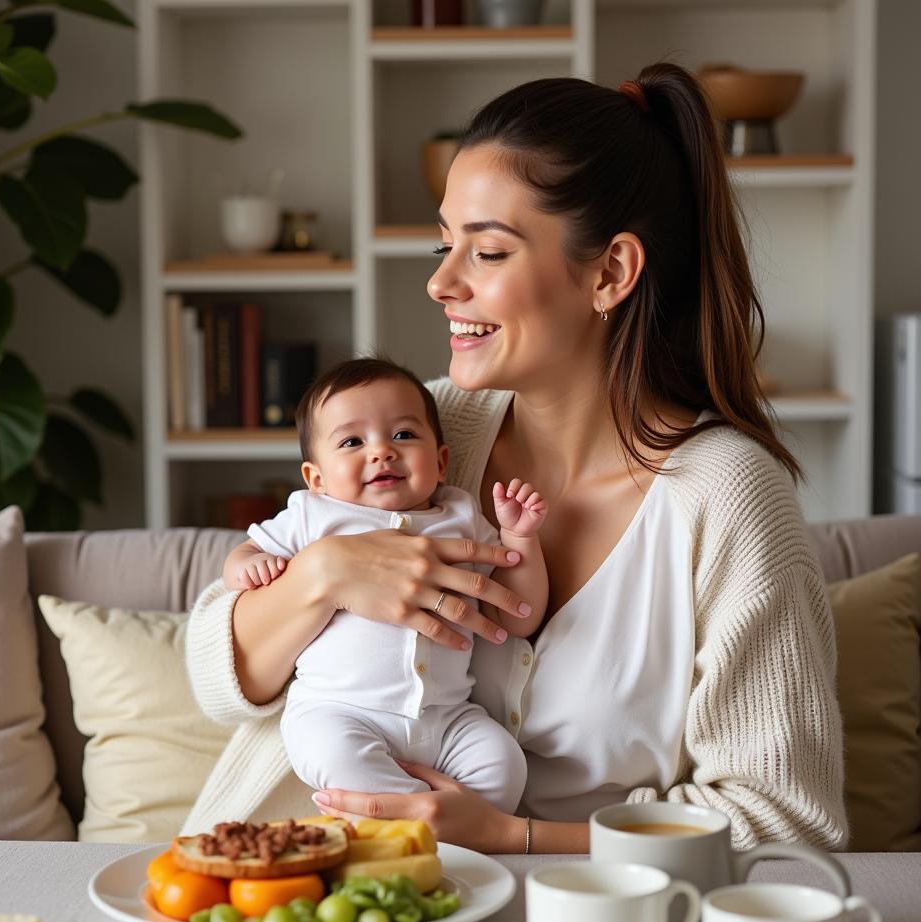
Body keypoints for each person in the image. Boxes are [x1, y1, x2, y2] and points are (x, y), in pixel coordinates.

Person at [182, 63, 848, 854]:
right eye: (444, 242)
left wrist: (519, 836)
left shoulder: (727, 497)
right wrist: (325, 573)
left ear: (610, 273)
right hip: (307, 882)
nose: (438, 282)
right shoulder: (421, 434)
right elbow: (216, 677)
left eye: (487, 253)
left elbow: (787, 821)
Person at [213, 357, 548, 814]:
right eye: (352, 441)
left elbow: (515, 612)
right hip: (341, 711)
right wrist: (250, 567)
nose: (382, 451)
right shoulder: (314, 515)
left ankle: (460, 827)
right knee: (333, 754)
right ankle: (419, 819)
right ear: (316, 478)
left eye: (404, 435)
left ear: (441, 461)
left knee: (504, 765)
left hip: (447, 717)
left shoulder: (462, 515)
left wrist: (520, 539)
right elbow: (241, 557)